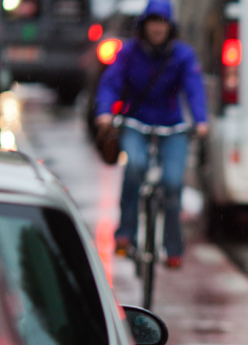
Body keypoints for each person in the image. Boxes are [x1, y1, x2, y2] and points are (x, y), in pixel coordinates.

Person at [95, 0, 208, 269]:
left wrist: (201, 120)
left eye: (162, 22)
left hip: (172, 126)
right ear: (143, 25)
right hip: (136, 123)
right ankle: (125, 234)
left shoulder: (183, 55)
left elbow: (194, 89)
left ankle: (172, 247)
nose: (157, 28)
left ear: (170, 27)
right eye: (152, 22)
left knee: (172, 183)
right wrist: (105, 112)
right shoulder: (129, 53)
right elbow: (111, 82)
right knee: (135, 167)